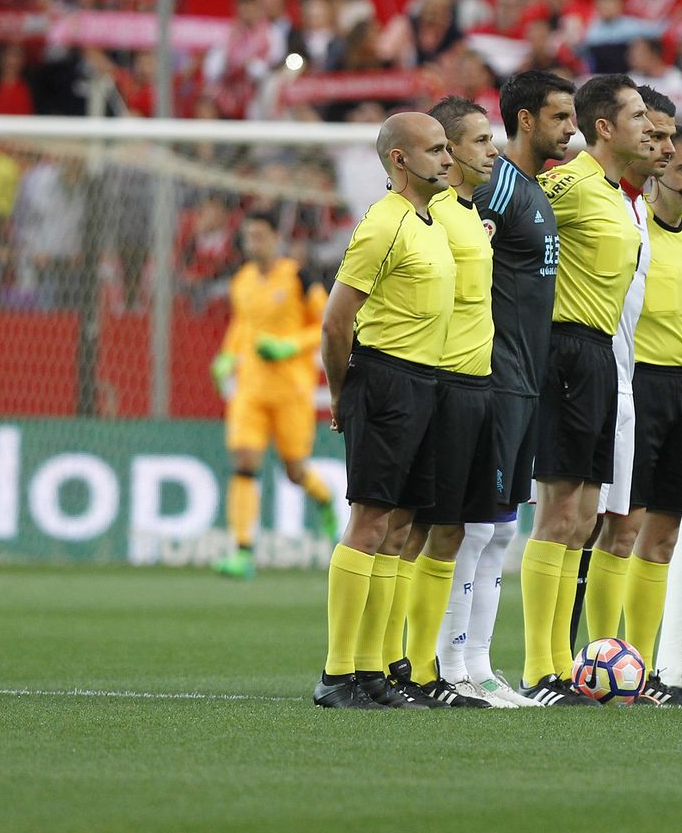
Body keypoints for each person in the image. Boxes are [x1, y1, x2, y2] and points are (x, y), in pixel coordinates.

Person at [437, 71, 575, 707]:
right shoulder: (492, 189)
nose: (569, 129)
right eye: (559, 117)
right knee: (473, 529)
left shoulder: (532, 190)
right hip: (491, 374)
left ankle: (480, 667)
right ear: (527, 120)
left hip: (523, 378)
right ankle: (452, 666)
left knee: (498, 531)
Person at [516, 73, 653, 706]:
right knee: (558, 512)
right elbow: (503, 207)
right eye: (637, 116)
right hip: (565, 348)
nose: (648, 128)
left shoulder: (614, 193)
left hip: (600, 355)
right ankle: (538, 667)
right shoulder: (568, 181)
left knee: (585, 517)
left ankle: (563, 664)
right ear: (605, 127)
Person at [314, 111, 456, 710]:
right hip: (387, 380)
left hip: (426, 382)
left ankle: (372, 670)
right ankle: (337, 674)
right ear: (400, 160)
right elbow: (335, 319)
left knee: (401, 529)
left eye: (450, 147)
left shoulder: (431, 222)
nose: (448, 158)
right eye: (436, 149)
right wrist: (347, 392)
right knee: (371, 524)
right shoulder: (383, 224)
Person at [367, 98, 504, 709]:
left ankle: (421, 666)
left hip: (477, 381)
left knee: (444, 531)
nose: (483, 152)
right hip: (438, 381)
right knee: (413, 529)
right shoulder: (431, 213)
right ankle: (406, 666)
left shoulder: (468, 214)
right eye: (469, 142)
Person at [597, 124, 682, 705]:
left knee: (664, 535)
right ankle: (598, 660)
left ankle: (639, 671)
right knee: (621, 528)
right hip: (633, 382)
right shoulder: (631, 226)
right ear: (657, 172)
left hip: (680, 386)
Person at [575, 86, 672, 661]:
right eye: (650, 130)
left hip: (629, 384)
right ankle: (555, 662)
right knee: (574, 523)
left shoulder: (633, 207)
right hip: (584, 372)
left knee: (618, 525)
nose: (660, 145)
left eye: (664, 135)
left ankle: (605, 660)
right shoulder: (578, 188)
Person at [210, 211, 338, 579]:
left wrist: (287, 346)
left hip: (291, 390)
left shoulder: (299, 276)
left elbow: (326, 323)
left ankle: (325, 500)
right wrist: (226, 355)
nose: (254, 243)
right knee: (244, 462)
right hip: (250, 388)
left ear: (275, 238)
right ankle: (242, 551)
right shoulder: (243, 281)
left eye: (260, 236)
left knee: (295, 470)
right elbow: (241, 325)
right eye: (248, 236)